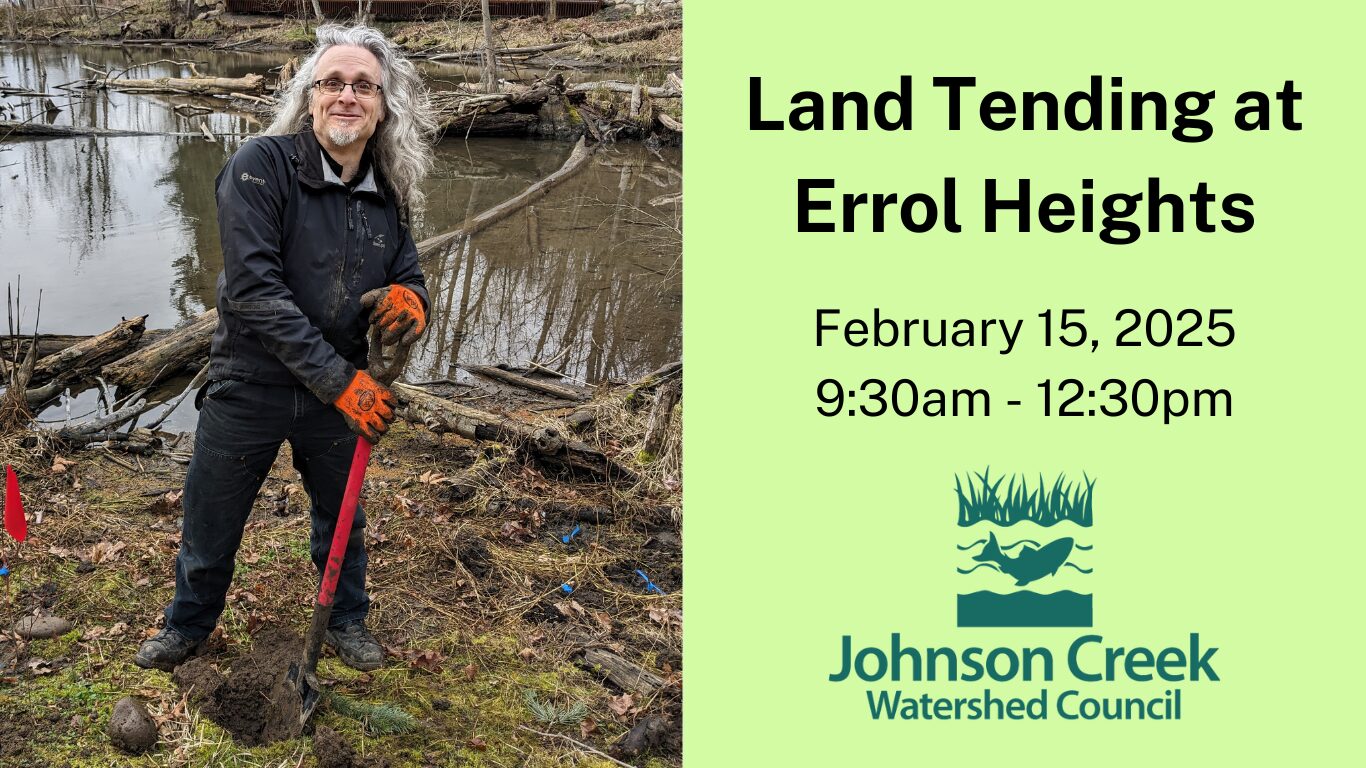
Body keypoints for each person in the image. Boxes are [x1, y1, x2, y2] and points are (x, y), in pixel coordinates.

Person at [134, 24, 438, 673]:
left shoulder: (387, 196)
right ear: (310, 97)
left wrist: (412, 303)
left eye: (364, 85)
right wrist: (344, 385)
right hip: (253, 379)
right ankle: (187, 626)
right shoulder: (260, 166)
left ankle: (346, 620)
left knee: (343, 515)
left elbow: (407, 273)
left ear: (384, 107)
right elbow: (254, 293)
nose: (347, 95)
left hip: (338, 391)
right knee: (212, 510)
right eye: (333, 82)